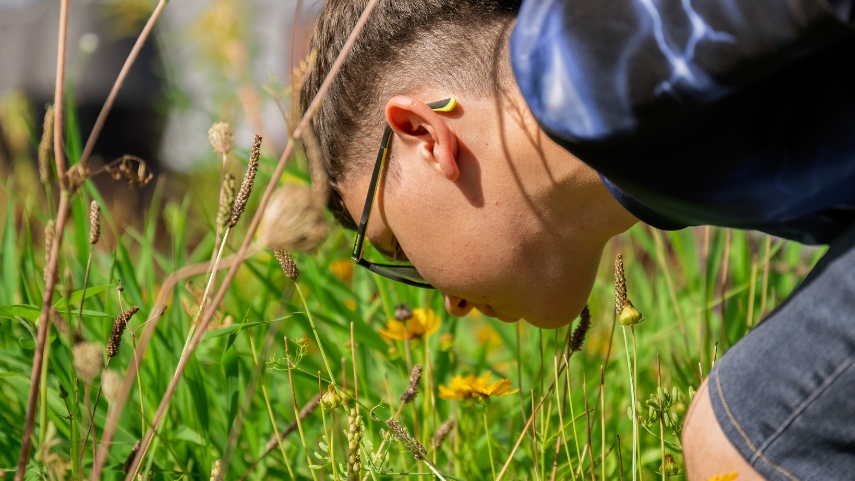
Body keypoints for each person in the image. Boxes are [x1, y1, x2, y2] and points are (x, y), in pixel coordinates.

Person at [299, 1, 855, 479]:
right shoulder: (652, 170)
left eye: (395, 247)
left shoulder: (581, 57)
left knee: (751, 435)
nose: (452, 304)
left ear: (425, 134)